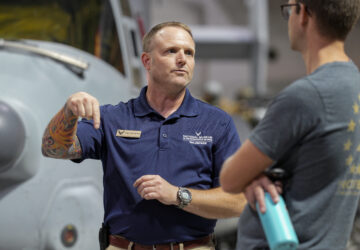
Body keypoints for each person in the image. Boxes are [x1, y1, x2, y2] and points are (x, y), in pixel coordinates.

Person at [41, 21, 246, 250]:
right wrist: (68, 112)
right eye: (171, 51)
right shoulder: (112, 119)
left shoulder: (216, 123)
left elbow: (237, 202)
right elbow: (53, 149)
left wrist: (177, 195)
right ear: (147, 61)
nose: (182, 59)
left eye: (189, 52)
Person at [220, 0, 360, 249]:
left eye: (289, 8)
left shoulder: (305, 97)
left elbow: (230, 178)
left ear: (303, 13)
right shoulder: (354, 86)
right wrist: (257, 176)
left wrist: (250, 175)